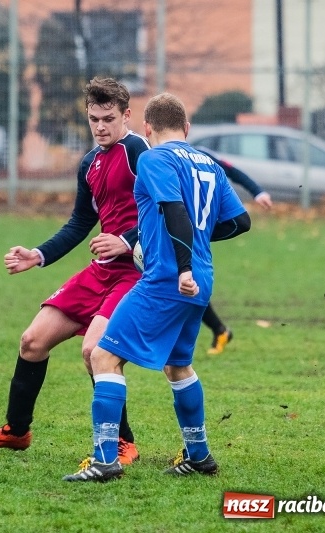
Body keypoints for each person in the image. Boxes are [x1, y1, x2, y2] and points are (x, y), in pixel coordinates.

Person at [63, 92, 250, 482]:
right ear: (187, 128)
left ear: (147, 129)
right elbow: (239, 222)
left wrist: (180, 265)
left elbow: (173, 209)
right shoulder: (209, 163)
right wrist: (196, 248)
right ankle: (199, 455)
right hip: (203, 280)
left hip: (168, 279)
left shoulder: (153, 158)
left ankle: (104, 460)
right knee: (178, 364)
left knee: (102, 357)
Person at [0, 77, 149, 466]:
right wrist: (38, 255)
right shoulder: (90, 163)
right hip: (100, 272)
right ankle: (16, 431)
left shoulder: (139, 152)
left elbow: (165, 208)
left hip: (134, 273)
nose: (100, 127)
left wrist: (127, 240)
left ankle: (122, 442)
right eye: (93, 119)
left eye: (109, 119)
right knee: (32, 341)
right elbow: (80, 223)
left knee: (94, 351)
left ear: (127, 115)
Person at [195, 146, 273, 355]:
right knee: (186, 286)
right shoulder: (155, 157)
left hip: (200, 231)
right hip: (180, 231)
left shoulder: (200, 154)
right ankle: (220, 330)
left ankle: (218, 330)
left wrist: (257, 191)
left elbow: (231, 170)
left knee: (189, 286)